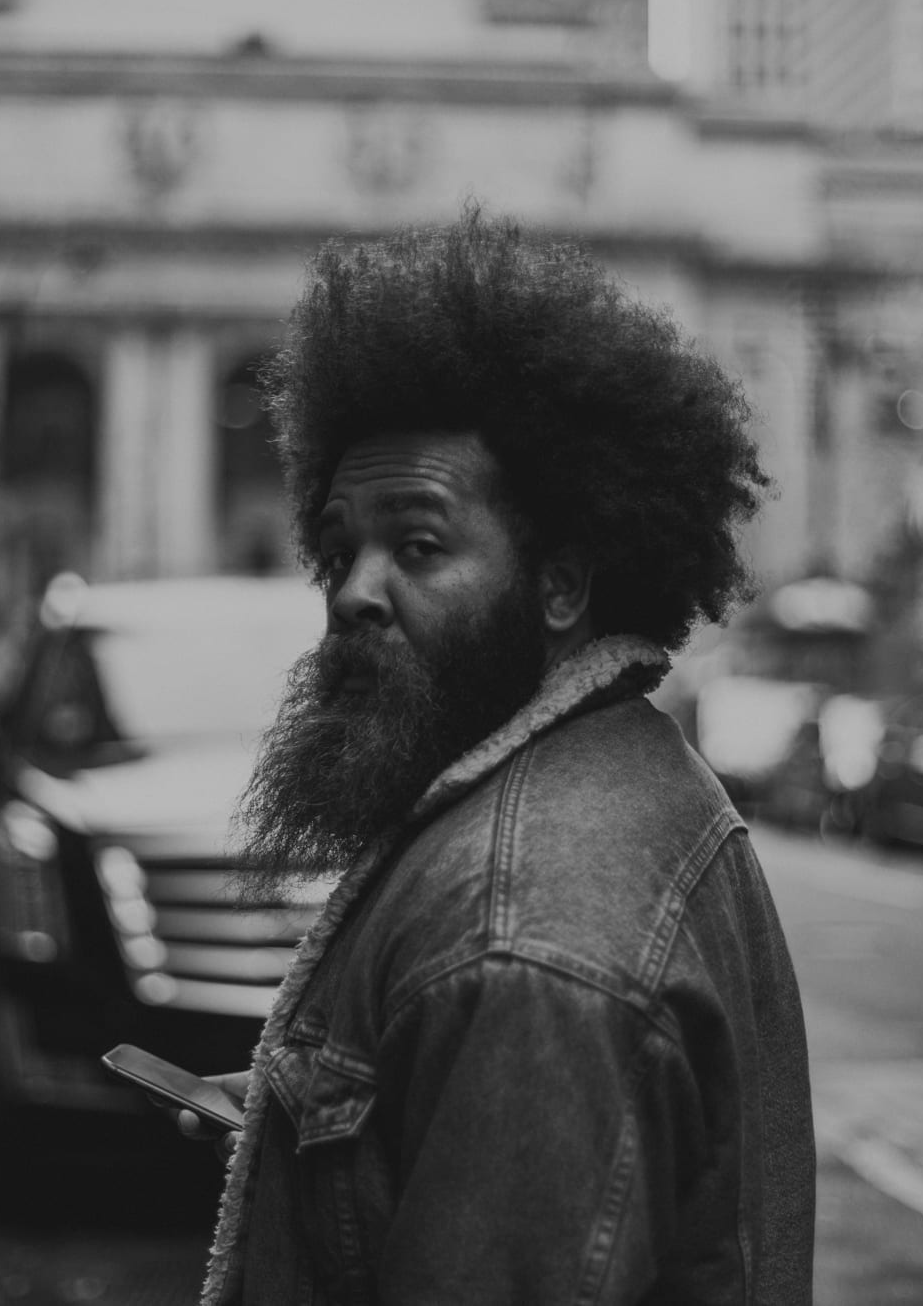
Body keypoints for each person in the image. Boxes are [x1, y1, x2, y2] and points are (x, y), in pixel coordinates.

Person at [183, 209, 816, 1304]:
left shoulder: (522, 939)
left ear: (561, 582)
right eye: (338, 549)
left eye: (417, 545)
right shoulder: (621, 768)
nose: (352, 592)